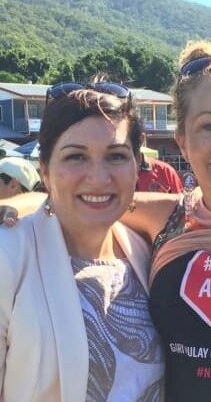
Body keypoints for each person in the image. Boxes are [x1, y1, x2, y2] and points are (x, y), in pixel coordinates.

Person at [1, 43, 211, 401]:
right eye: (207, 126)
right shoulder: (167, 218)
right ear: (182, 141)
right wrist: (16, 205)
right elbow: (86, 198)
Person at [0, 82, 164, 401]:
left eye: (116, 156)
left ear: (136, 167)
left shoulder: (146, 252)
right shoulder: (9, 257)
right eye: (76, 157)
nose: (99, 177)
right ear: (45, 170)